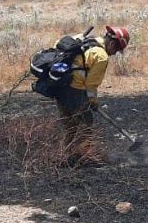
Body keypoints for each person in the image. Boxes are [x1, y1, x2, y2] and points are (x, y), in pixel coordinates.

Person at [53, 25, 129, 163]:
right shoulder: (101, 56)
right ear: (112, 43)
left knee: (70, 126)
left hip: (60, 88)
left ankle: (65, 157)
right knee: (85, 125)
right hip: (76, 92)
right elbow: (91, 85)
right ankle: (86, 157)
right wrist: (93, 101)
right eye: (117, 50)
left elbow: (57, 45)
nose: (114, 53)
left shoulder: (82, 39)